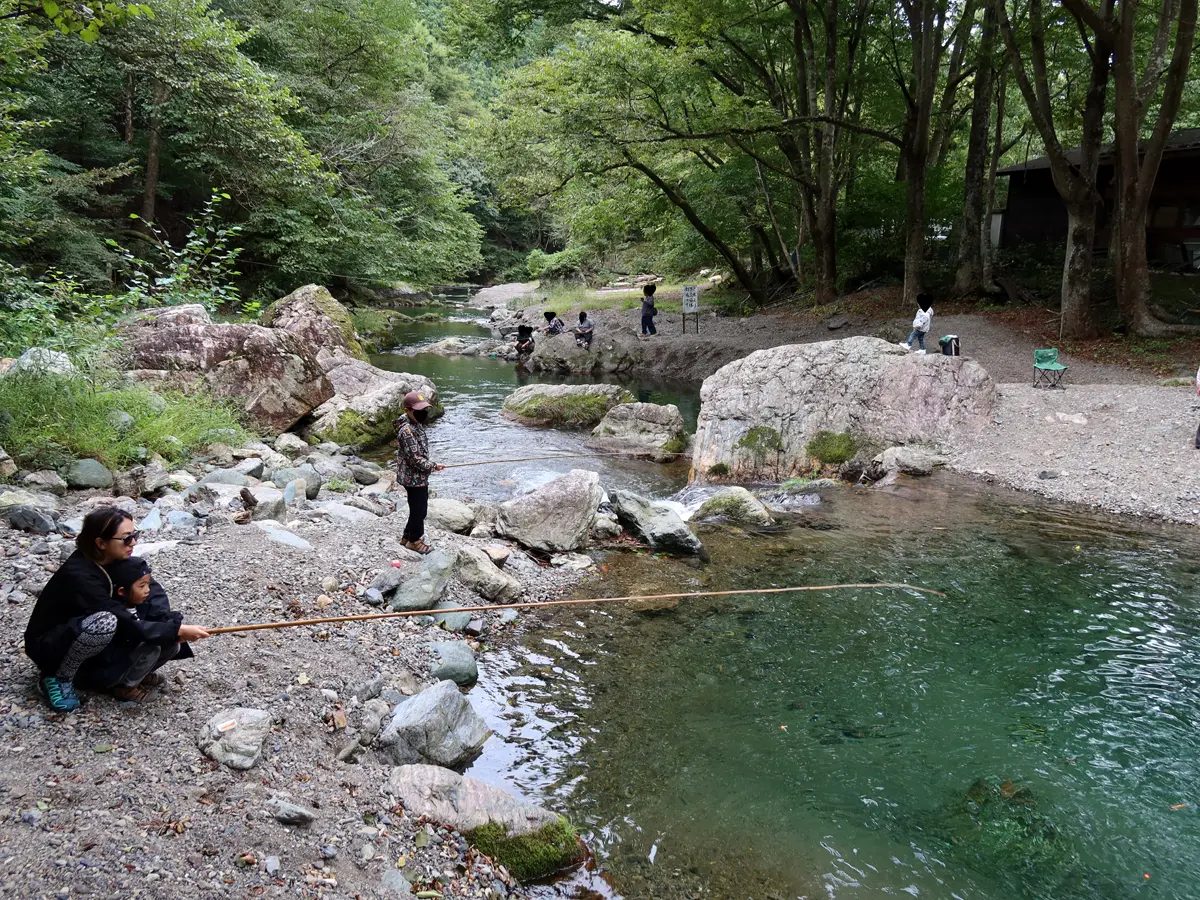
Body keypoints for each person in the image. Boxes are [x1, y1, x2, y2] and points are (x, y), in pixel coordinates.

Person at [23, 507, 210, 712]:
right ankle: (57, 677)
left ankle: (122, 676)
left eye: (135, 535)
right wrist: (174, 631)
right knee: (105, 622)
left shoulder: (116, 561)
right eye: (126, 538)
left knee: (165, 636)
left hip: (92, 639)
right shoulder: (79, 575)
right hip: (52, 645)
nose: (134, 543)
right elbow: (121, 619)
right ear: (101, 543)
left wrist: (170, 625)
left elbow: (152, 592)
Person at [395, 390, 444, 554]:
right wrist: (432, 465)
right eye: (418, 410)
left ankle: (406, 537)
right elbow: (415, 459)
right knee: (420, 510)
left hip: (418, 476)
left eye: (424, 409)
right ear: (408, 410)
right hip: (413, 478)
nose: (423, 412)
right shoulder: (407, 431)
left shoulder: (416, 424)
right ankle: (414, 541)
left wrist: (431, 466)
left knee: (416, 508)